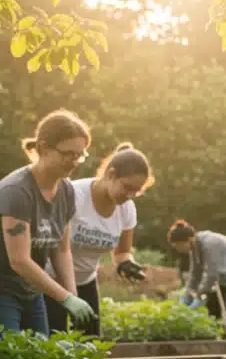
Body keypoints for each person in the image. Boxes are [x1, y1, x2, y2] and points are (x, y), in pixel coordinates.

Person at [0, 110, 97, 335]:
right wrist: (66, 298)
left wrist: (72, 297)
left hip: (28, 289)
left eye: (79, 155)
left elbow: (60, 250)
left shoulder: (67, 191)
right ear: (43, 148)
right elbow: (19, 260)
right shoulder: (17, 191)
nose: (74, 162)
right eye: (67, 154)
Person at [45, 143, 153, 336]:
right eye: (127, 187)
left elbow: (121, 253)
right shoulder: (73, 195)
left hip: (86, 282)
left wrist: (127, 265)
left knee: (91, 346)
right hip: (52, 281)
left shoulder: (127, 209)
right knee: (52, 343)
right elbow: (55, 249)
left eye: (136, 191)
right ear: (111, 174)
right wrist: (69, 296)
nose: (130, 196)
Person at [167, 220, 226, 338]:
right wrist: (187, 294)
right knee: (212, 306)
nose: (179, 249)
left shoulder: (210, 243)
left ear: (189, 239)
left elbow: (212, 274)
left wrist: (199, 295)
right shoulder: (194, 248)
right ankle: (218, 336)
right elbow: (195, 273)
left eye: (179, 246)